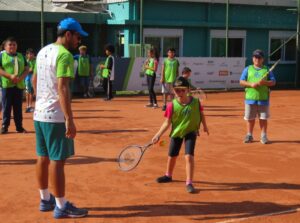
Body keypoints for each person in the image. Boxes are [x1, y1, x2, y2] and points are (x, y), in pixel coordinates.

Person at [32, 17, 88, 218]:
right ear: (68, 34)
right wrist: (69, 118)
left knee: (42, 157)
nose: (78, 41)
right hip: (55, 117)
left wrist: (41, 101)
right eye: (77, 36)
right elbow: (62, 87)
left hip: (39, 115)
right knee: (58, 161)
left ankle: (45, 199)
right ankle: (61, 205)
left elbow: (34, 80)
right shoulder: (65, 55)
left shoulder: (42, 51)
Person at [152, 76, 209, 193]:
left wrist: (205, 126)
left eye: (183, 90)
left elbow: (201, 113)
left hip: (191, 132)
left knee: (189, 156)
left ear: (188, 90)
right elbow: (167, 122)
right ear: (173, 90)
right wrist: (158, 134)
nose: (180, 92)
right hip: (177, 132)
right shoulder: (171, 105)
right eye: (177, 90)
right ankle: (168, 175)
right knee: (172, 155)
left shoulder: (196, 102)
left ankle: (189, 182)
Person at [240, 49, 276, 144]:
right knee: (250, 119)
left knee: (263, 119)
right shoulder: (247, 69)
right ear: (253, 58)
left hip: (263, 99)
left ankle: (263, 136)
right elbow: (241, 81)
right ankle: (249, 135)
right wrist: (251, 84)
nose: (257, 59)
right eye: (255, 57)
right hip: (250, 99)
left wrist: (264, 82)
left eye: (259, 57)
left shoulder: (267, 70)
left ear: (262, 59)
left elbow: (273, 82)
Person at [0, 37, 29, 134]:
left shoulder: (21, 56)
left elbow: (27, 68)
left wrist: (21, 78)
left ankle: (19, 127)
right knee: (6, 107)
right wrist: (10, 76)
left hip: (19, 86)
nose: (12, 46)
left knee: (18, 108)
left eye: (14, 44)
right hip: (7, 86)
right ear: (5, 46)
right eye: (10, 44)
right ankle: (4, 126)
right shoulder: (2, 56)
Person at [25, 48, 36, 113]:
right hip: (27, 79)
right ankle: (27, 106)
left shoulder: (35, 61)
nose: (30, 55)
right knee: (27, 93)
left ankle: (30, 106)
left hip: (33, 79)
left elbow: (33, 70)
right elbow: (25, 70)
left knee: (31, 92)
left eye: (32, 54)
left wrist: (30, 70)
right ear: (27, 55)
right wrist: (29, 70)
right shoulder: (26, 61)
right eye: (29, 54)